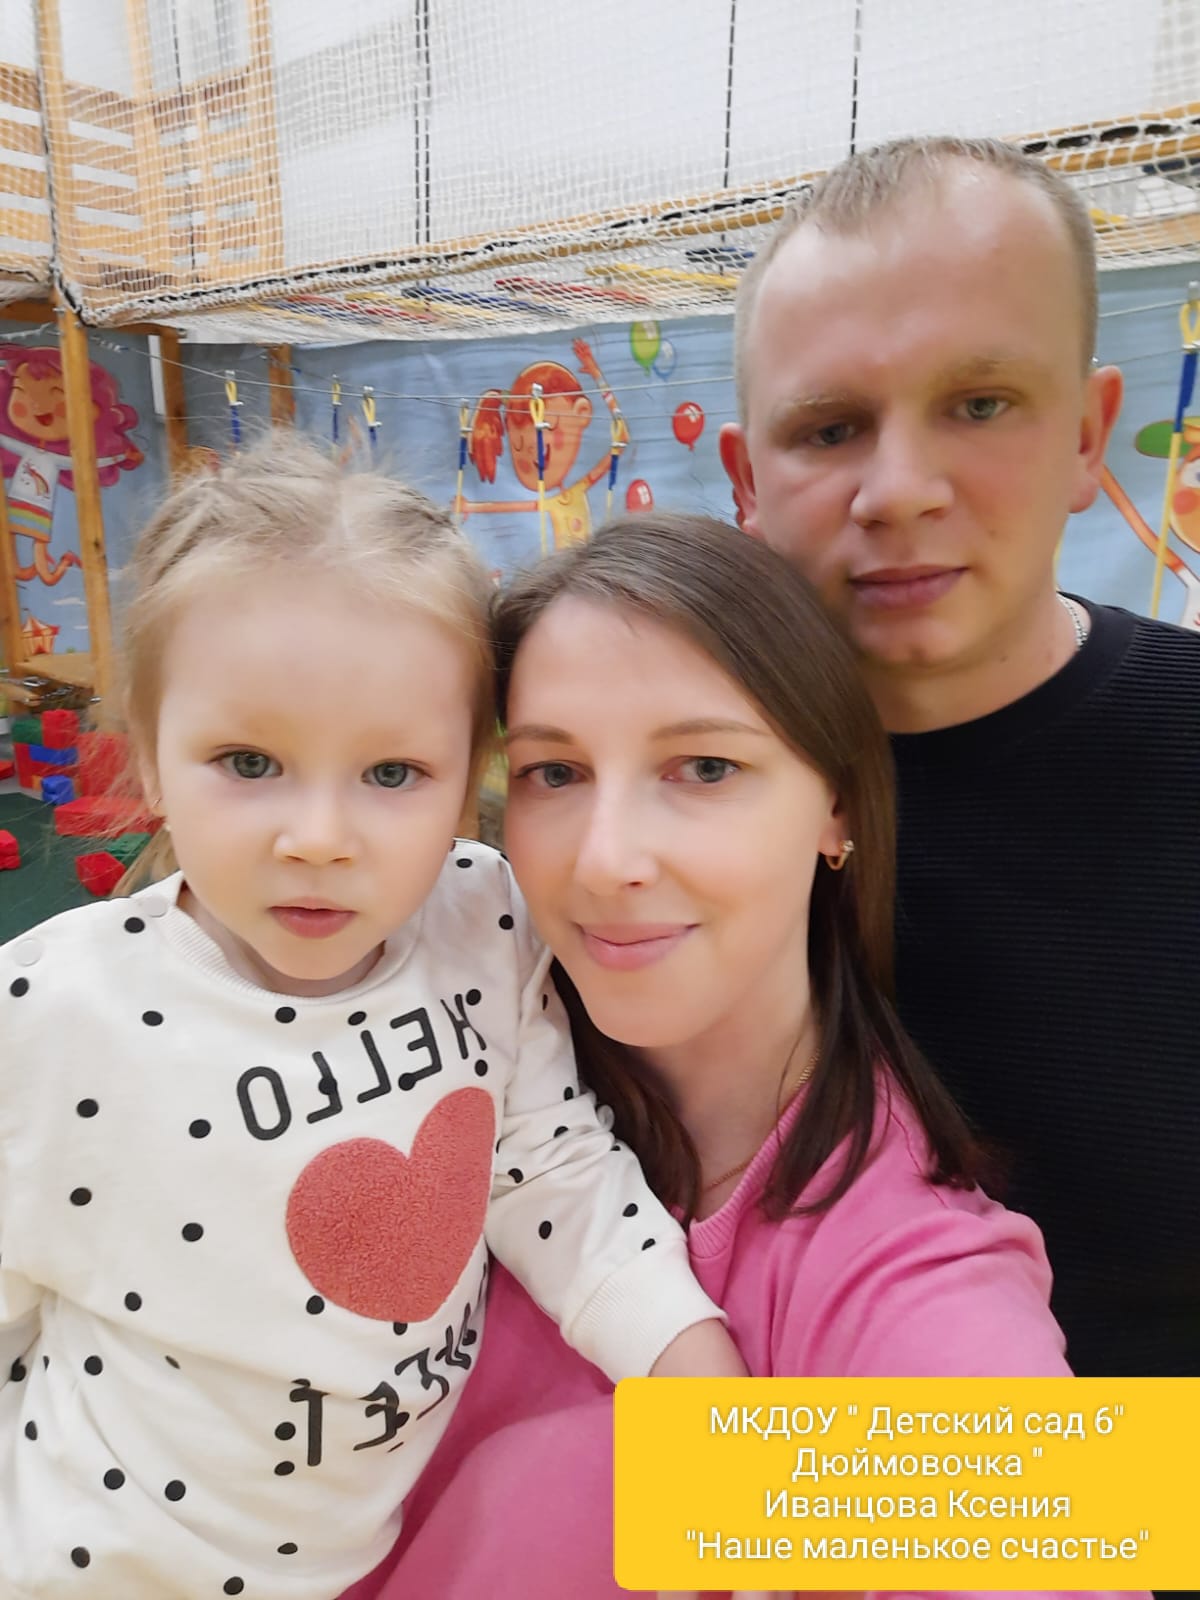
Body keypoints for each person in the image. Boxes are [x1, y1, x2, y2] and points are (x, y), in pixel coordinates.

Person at [346, 514, 1143, 1600]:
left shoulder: (906, 1271)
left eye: (705, 766)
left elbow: (1058, 1524)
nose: (606, 859)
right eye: (553, 771)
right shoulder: (409, 1050)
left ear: (838, 806)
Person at [0, 440, 743, 1600]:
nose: (319, 838)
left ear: (470, 776)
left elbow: (549, 1168)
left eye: (392, 774)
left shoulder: (481, 922)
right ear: (147, 752)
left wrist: (687, 1359)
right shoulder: (58, 1013)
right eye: (249, 760)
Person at [717, 135, 1200, 1380]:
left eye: (980, 404)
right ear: (746, 482)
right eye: (830, 427)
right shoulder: (648, 808)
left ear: (1089, 434)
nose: (900, 489)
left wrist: (956, 1471)